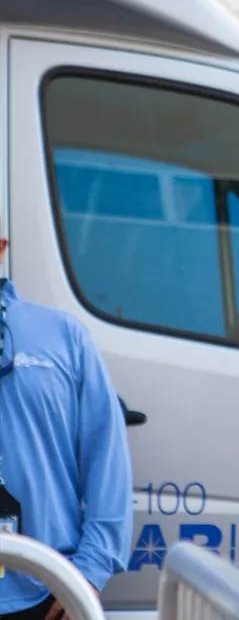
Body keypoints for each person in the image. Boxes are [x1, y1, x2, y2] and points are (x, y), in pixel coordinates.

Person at [0, 236, 133, 620]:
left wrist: (90, 569)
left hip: (46, 592)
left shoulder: (64, 337)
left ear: (2, 246)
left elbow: (107, 458)